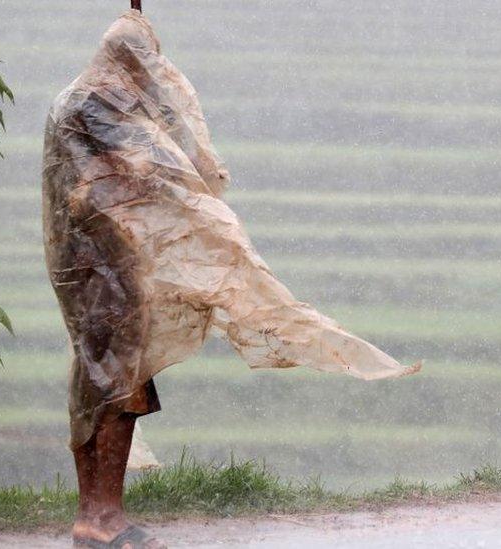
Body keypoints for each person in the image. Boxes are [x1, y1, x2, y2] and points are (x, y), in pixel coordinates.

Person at [42, 11, 419, 548]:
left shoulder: (78, 98)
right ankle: (101, 516)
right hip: (105, 269)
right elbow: (145, 169)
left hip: (102, 266)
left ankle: (98, 515)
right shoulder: (98, 101)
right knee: (114, 390)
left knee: (109, 385)